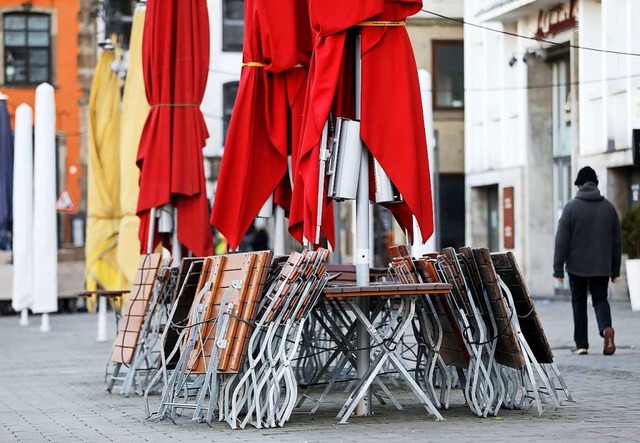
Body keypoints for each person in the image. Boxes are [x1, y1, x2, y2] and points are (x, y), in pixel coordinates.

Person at [553, 166, 621, 356]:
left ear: (579, 185)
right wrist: (615, 270)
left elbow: (561, 241)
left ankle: (582, 344)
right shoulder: (609, 208)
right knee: (600, 300)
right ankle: (606, 328)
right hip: (602, 266)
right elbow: (617, 242)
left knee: (579, 302)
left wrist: (557, 269)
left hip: (576, 267)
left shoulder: (571, 208)